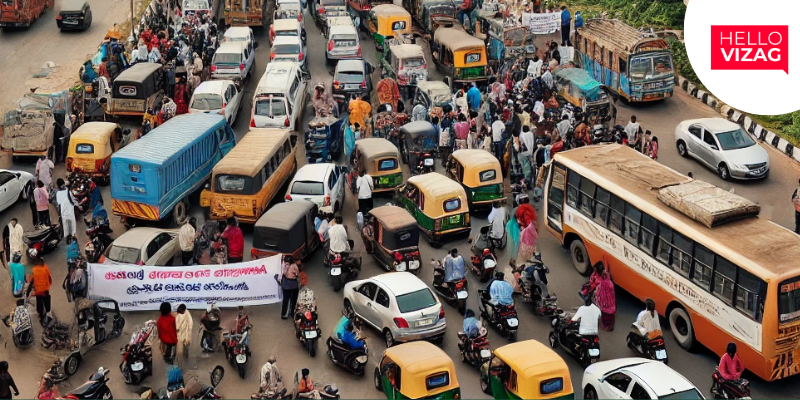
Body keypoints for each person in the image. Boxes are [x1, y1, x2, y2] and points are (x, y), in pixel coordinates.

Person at [589, 263, 616, 330]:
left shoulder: (600, 285)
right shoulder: (609, 281)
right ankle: (609, 326)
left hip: (604, 307)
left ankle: (604, 326)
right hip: (612, 305)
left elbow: (599, 297)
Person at [26, 257, 52, 324]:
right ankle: (48, 311)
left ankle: (40, 313)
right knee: (47, 299)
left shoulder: (34, 269)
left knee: (39, 300)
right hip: (46, 289)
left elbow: (30, 281)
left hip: (38, 290)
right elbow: (49, 277)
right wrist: (49, 284)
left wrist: (27, 292)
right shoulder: (45, 267)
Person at [175, 303, 193, 369]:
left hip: (185, 334)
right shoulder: (178, 316)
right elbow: (177, 327)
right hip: (180, 336)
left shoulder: (186, 313)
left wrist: (188, 333)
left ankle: (186, 358)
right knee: (179, 352)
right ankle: (180, 366)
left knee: (185, 348)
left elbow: (190, 323)